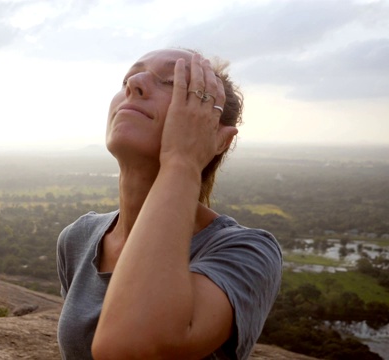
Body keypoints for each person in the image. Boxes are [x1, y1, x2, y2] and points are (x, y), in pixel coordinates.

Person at [56, 48, 282, 360]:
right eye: (128, 77)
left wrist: (182, 161)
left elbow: (130, 348)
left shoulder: (245, 251)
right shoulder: (79, 237)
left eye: (172, 82)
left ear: (219, 139)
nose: (133, 83)